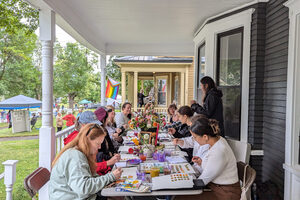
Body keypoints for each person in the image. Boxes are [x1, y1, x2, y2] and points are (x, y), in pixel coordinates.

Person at [49, 123, 123, 200]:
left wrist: (107, 179)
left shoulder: (80, 153)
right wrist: (110, 177)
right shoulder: (75, 156)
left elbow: (88, 178)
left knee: (119, 196)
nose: (99, 147)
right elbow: (83, 188)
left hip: (80, 196)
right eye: (98, 143)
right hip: (74, 197)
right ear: (87, 140)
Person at [176, 117, 241, 200]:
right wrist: (201, 163)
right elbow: (214, 167)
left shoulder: (219, 150)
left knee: (179, 197)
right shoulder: (218, 140)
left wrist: (178, 183)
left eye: (195, 137)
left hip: (225, 193)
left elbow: (202, 181)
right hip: (217, 187)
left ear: (205, 137)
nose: (195, 141)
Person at [64, 111, 121, 176]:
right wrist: (108, 163)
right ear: (83, 125)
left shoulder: (87, 137)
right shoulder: (76, 140)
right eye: (93, 126)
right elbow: (85, 169)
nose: (96, 128)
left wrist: (107, 172)